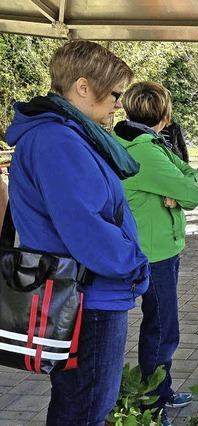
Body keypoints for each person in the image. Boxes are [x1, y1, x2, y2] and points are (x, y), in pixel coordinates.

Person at [5, 40, 150, 425]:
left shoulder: (63, 133)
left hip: (86, 292)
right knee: (86, 412)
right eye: (115, 94)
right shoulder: (58, 139)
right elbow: (84, 226)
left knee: (79, 406)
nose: (119, 104)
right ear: (83, 87)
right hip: (90, 297)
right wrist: (134, 264)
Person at [114, 82, 198, 424]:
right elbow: (192, 193)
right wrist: (178, 193)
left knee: (159, 326)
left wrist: (176, 191)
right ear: (166, 115)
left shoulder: (135, 140)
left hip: (151, 246)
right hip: (156, 253)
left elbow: (186, 175)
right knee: (163, 329)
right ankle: (153, 406)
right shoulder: (146, 151)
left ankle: (161, 392)